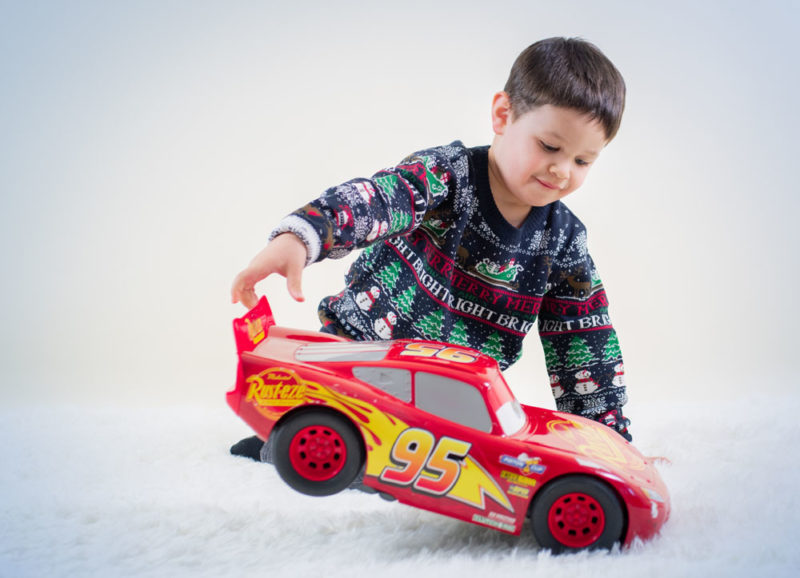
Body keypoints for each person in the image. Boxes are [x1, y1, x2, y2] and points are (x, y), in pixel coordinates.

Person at [230, 37, 632, 460]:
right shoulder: (445, 176)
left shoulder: (564, 241)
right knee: (328, 439)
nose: (562, 170)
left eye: (583, 161)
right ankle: (286, 439)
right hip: (367, 352)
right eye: (550, 147)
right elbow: (377, 199)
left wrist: (610, 444)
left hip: (451, 392)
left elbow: (584, 340)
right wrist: (302, 236)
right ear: (503, 114)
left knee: (478, 456)